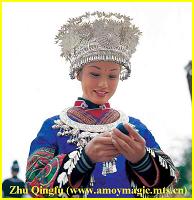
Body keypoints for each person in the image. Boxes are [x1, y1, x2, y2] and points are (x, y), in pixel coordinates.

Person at [26, 11, 178, 198]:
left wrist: (143, 160)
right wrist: (83, 159)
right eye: (95, 74)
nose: (103, 84)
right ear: (78, 73)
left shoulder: (135, 128)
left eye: (112, 75)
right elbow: (34, 185)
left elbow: (169, 185)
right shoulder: (53, 127)